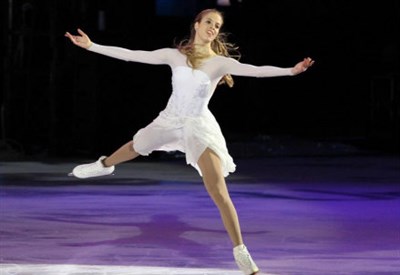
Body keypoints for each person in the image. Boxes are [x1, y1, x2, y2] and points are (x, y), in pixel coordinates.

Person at [65, 8, 314, 275]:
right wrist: (92, 46)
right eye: (208, 22)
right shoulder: (175, 56)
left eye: (217, 26)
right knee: (135, 146)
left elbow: (255, 71)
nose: (213, 28)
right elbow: (133, 55)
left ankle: (241, 252)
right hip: (170, 120)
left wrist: (290, 71)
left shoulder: (220, 63)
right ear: (196, 25)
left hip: (198, 126)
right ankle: (104, 165)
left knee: (218, 190)